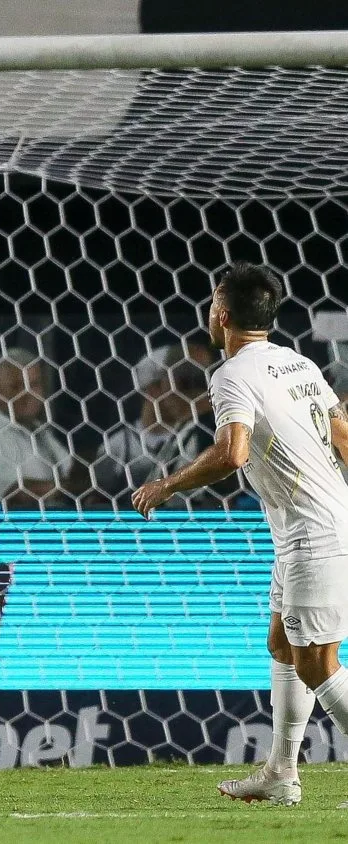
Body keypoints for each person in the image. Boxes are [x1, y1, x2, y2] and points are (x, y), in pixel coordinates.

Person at [132, 262, 348, 806]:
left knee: (317, 663)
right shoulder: (298, 363)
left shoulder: (231, 375)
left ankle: (283, 773)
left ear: (222, 314)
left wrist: (167, 484)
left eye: (212, 302)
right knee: (283, 644)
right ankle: (281, 773)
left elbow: (233, 453)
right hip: (308, 529)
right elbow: (343, 433)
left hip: (314, 534)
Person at [92, 345, 221, 506]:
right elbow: (98, 500)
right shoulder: (117, 445)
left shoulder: (203, 436)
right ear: (153, 389)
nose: (194, 392)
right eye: (182, 383)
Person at [0, 348, 74, 510]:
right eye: (17, 386)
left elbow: (69, 470)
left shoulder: (40, 431)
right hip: (6, 524)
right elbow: (16, 493)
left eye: (34, 385)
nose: (28, 394)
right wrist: (69, 488)